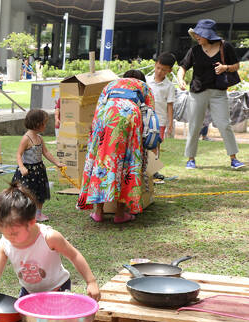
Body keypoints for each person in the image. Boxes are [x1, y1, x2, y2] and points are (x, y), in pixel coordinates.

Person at [0, 183, 100, 306]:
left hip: (58, 289)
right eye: (4, 233)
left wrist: (91, 281)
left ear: (31, 222)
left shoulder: (49, 237)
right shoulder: (4, 244)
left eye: (14, 233)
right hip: (28, 293)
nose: (9, 238)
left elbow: (74, 255)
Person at [78, 70, 154, 224]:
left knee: (101, 159)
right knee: (127, 161)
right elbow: (151, 115)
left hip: (105, 116)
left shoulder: (111, 84)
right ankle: (120, 213)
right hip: (129, 116)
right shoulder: (144, 86)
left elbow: (99, 107)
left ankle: (98, 212)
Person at [177, 19, 243, 170]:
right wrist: (180, 80)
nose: (197, 37)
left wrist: (225, 68)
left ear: (208, 35)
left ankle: (234, 159)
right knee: (195, 126)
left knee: (224, 124)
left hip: (218, 92)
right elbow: (183, 67)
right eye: (196, 34)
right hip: (197, 92)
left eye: (199, 34)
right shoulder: (194, 50)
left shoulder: (225, 47)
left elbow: (236, 66)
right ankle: (191, 159)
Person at [12, 110, 63, 222]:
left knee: (40, 193)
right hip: (27, 172)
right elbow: (18, 154)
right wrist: (21, 167)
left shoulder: (39, 138)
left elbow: (46, 152)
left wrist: (57, 163)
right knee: (25, 193)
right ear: (37, 124)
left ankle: (38, 214)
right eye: (44, 123)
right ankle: (21, 213)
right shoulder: (26, 138)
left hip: (39, 171)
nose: (45, 125)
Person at [146, 52, 177, 180]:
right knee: (145, 143)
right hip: (146, 117)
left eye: (163, 70)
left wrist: (170, 123)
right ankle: (144, 168)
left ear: (169, 71)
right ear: (155, 65)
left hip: (160, 120)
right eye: (158, 68)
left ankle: (154, 170)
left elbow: (170, 105)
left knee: (155, 145)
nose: (159, 71)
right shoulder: (146, 80)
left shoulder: (169, 86)